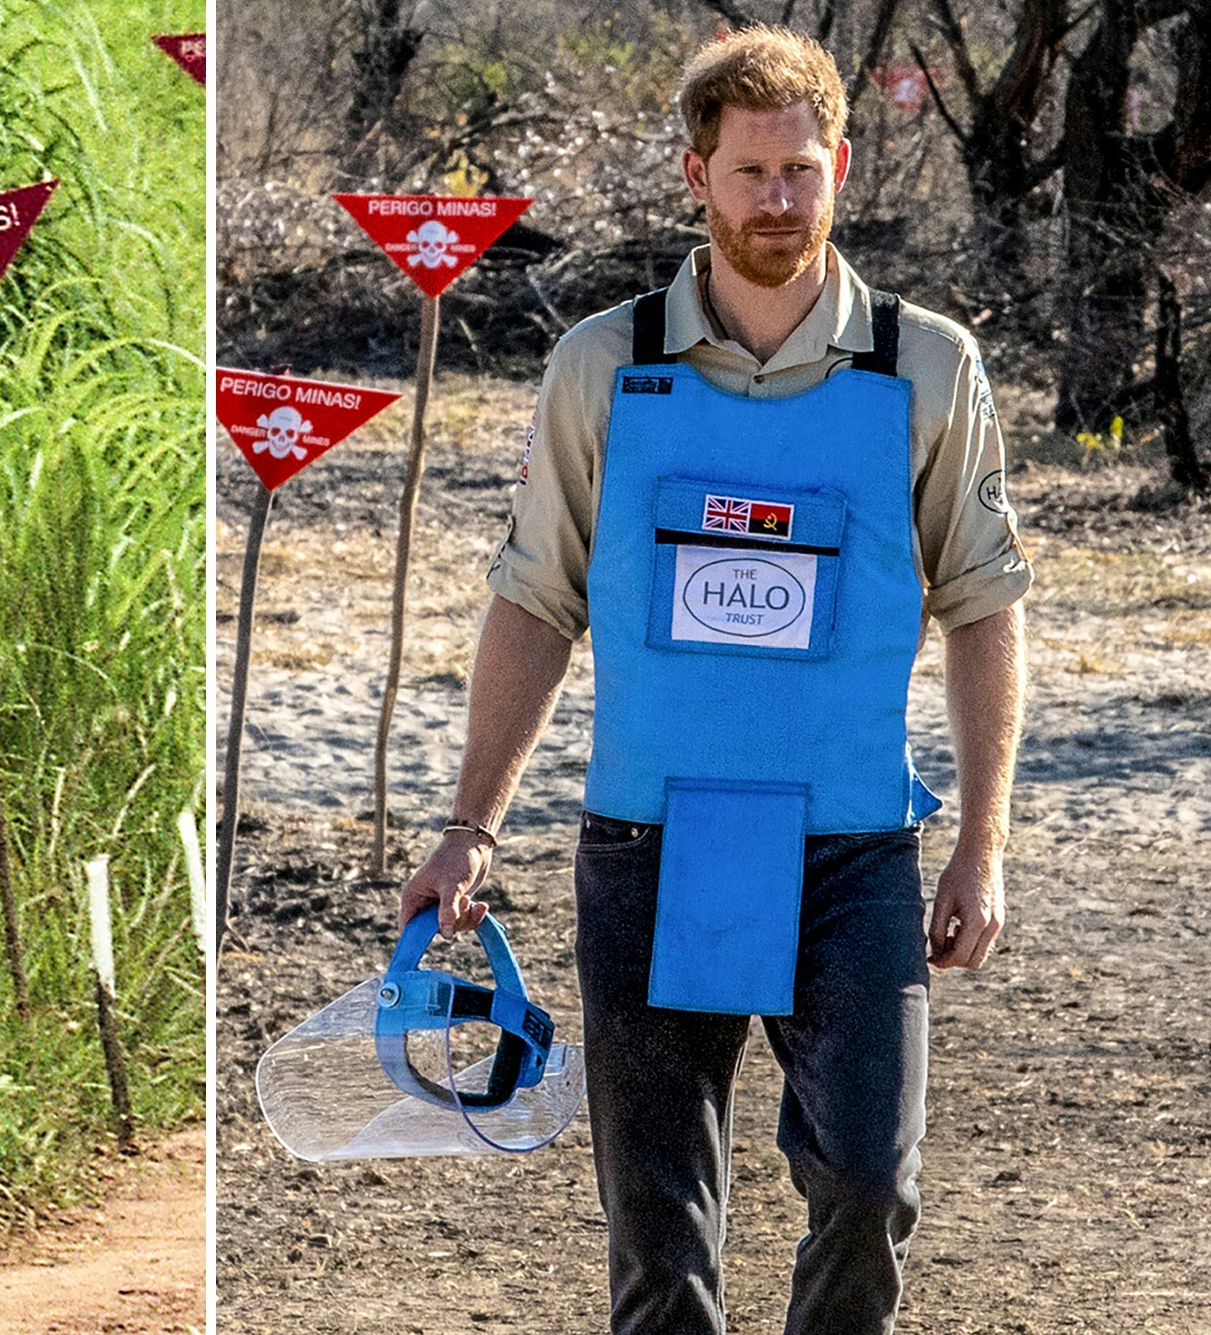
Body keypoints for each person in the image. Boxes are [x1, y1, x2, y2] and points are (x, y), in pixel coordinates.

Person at [400, 26, 1029, 1335]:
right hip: (646, 844)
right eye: (750, 173)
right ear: (698, 174)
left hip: (854, 850)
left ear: (841, 166)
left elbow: (983, 607)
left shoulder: (925, 366)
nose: (778, 203)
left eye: (802, 171)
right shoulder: (602, 364)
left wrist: (981, 846)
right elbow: (531, 601)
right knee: (660, 1236)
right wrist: (471, 826)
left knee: (869, 1182)